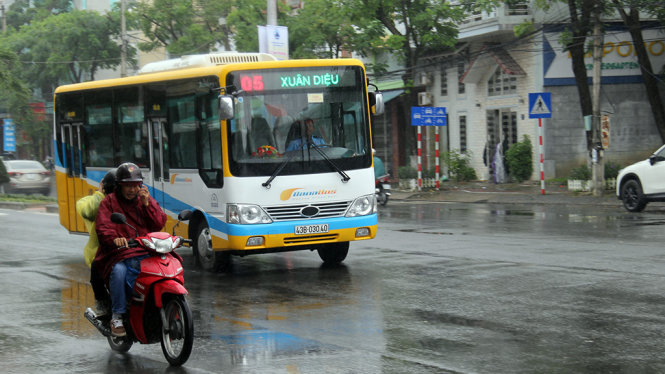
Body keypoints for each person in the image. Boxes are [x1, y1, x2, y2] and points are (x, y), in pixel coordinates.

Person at [94, 162, 167, 336]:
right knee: (119, 271)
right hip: (118, 253)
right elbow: (103, 227)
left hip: (145, 248)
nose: (132, 190)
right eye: (128, 186)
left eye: (135, 185)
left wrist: (148, 204)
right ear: (119, 186)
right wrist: (115, 239)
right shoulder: (109, 202)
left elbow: (159, 224)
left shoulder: (145, 199)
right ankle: (117, 316)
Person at [75, 169, 116, 317]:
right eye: (111, 189)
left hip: (130, 248)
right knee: (97, 273)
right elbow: (88, 211)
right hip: (102, 252)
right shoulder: (92, 202)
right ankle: (105, 307)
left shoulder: (131, 201)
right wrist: (100, 194)